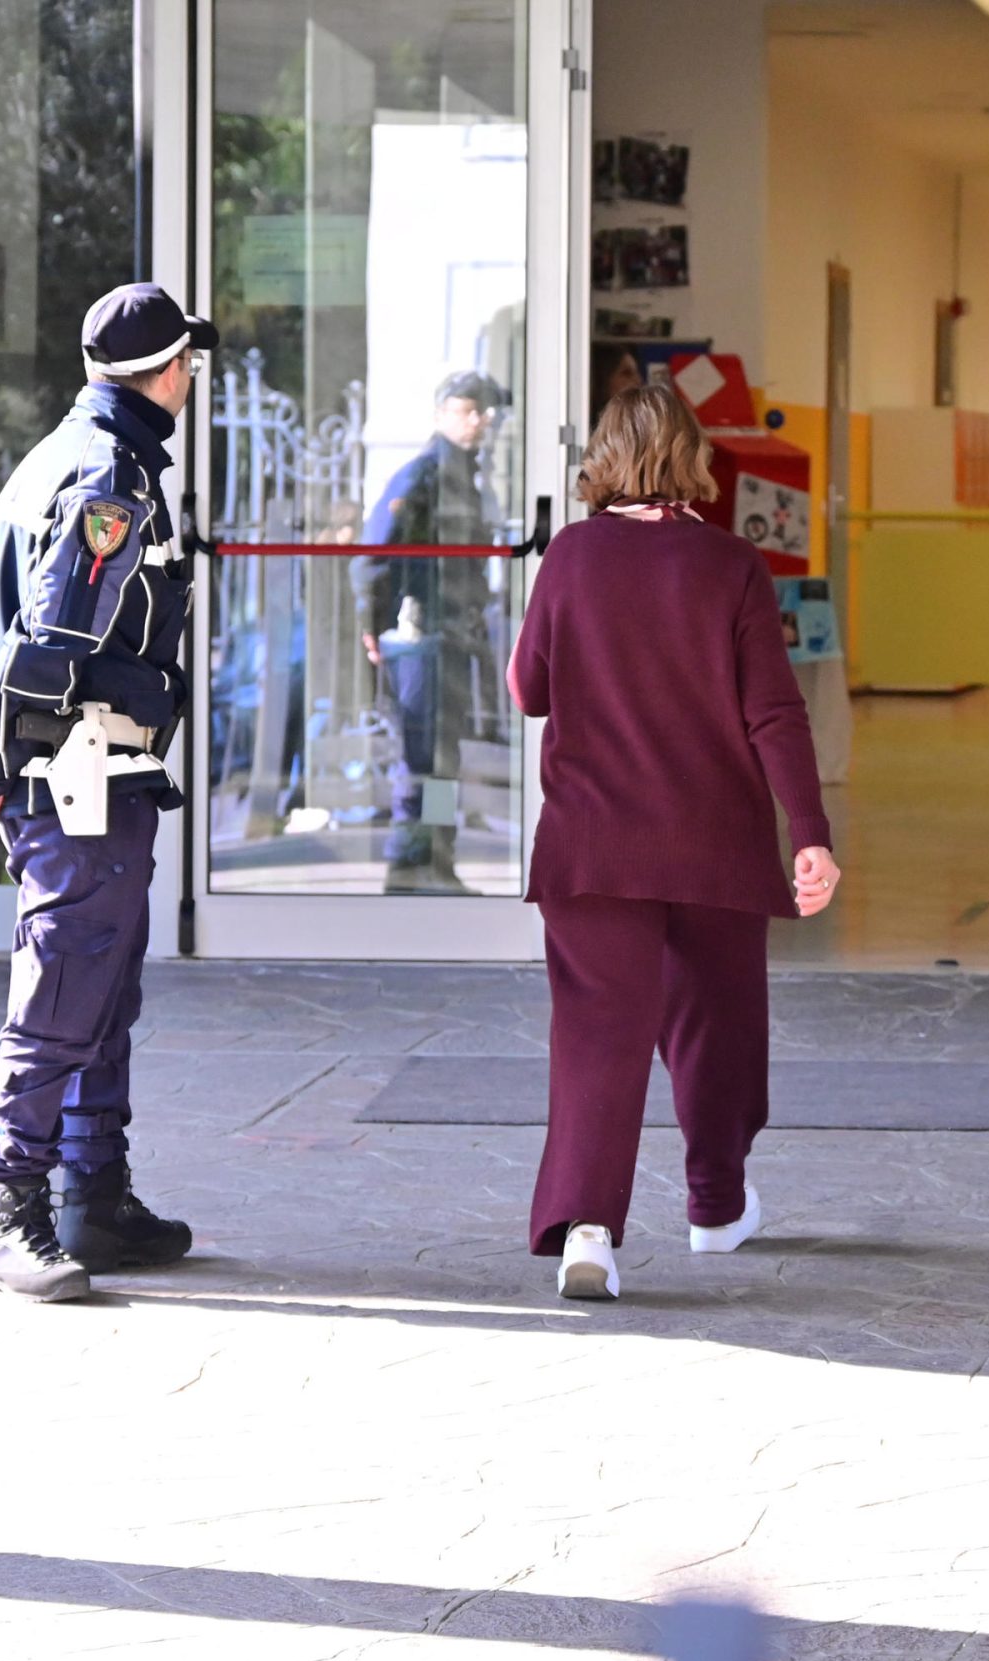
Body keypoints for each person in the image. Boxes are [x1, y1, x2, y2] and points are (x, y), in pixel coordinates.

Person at [509, 381, 840, 1301]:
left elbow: (528, 690)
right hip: (713, 845)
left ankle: (588, 1229)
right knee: (720, 1029)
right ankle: (715, 1207)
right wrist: (808, 834)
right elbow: (774, 711)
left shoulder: (570, 555)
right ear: (694, 460)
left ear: (604, 461)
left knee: (595, 1040)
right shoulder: (732, 566)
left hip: (592, 847)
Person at [0, 282, 213, 1303]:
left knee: (100, 987)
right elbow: (53, 637)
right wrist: (4, 755)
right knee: (65, 985)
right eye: (189, 363)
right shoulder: (109, 474)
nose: (191, 378)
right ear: (169, 371)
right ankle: (13, 1205)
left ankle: (96, 1193)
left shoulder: (54, 455)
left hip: (77, 767)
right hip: (80, 768)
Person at [352, 370, 509, 889]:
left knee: (444, 758)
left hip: (453, 641)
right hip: (418, 641)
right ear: (443, 414)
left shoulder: (466, 476)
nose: (480, 419)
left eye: (485, 410)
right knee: (421, 759)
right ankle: (408, 864)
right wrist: (372, 625)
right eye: (469, 408)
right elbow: (376, 555)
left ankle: (436, 861)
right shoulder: (421, 476)